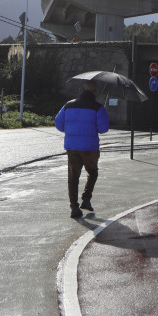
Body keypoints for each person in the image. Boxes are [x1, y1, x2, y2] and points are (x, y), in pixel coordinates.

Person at [55, 81, 110, 218]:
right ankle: (86, 198)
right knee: (93, 172)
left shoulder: (68, 105)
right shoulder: (98, 108)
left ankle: (74, 207)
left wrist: (70, 131)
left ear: (81, 89)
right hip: (89, 148)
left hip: (72, 147)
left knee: (73, 177)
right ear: (95, 92)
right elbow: (103, 129)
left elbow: (58, 123)